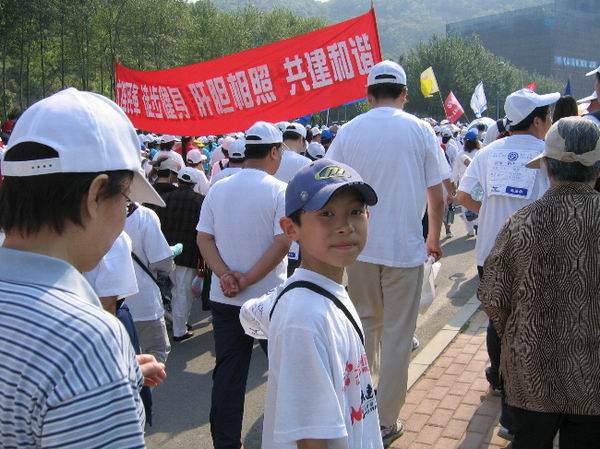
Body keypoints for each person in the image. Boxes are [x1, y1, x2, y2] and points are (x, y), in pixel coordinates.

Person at [0, 88, 166, 447]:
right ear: (95, 194)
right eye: (127, 200)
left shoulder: (86, 352)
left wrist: (104, 382)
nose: (124, 216)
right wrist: (99, 369)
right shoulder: (87, 341)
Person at [327, 60, 444, 446]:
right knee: (397, 337)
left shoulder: (349, 130)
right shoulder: (421, 129)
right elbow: (437, 193)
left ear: (368, 95)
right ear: (405, 93)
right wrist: (433, 237)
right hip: (405, 249)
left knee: (364, 326)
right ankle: (385, 421)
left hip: (359, 247)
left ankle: (359, 409)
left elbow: (329, 182)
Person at [240, 159, 382, 449]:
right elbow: (310, 439)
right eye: (326, 214)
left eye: (355, 211)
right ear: (290, 229)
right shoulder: (304, 319)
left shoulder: (323, 294)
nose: (345, 226)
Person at [479, 117, 600, 448]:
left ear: (547, 166)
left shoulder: (520, 224)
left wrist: (517, 335)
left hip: (532, 375)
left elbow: (492, 298)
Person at [457, 87, 558, 441]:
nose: (550, 121)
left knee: (498, 323)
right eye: (548, 116)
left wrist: (488, 213)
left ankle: (500, 384)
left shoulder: (487, 153)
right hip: (533, 254)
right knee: (529, 330)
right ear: (537, 121)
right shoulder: (548, 156)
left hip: (490, 252)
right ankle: (517, 411)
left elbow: (462, 195)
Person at [196, 121, 290, 449]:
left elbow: (203, 238)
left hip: (225, 298)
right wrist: (247, 279)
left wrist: (225, 275)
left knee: (228, 375)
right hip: (267, 298)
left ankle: (226, 443)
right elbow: (282, 242)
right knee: (285, 372)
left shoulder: (220, 187)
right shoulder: (279, 190)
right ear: (274, 152)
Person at [158, 166, 205, 342]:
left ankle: (179, 323)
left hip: (167, 252)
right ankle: (179, 329)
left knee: (175, 291)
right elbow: (203, 233)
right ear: (193, 183)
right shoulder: (199, 201)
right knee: (183, 293)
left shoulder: (165, 198)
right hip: (189, 255)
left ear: (179, 181)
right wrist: (203, 263)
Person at [124, 202, 174, 363]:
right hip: (143, 302)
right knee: (155, 356)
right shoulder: (143, 215)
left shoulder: (88, 214)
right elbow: (162, 261)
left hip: (105, 305)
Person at [453, 130, 481, 237]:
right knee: (479, 207)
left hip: (464, 186)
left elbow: (455, 172)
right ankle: (478, 225)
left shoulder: (460, 154)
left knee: (465, 208)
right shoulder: (480, 153)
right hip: (478, 185)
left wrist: (453, 187)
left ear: (465, 141)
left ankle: (470, 231)